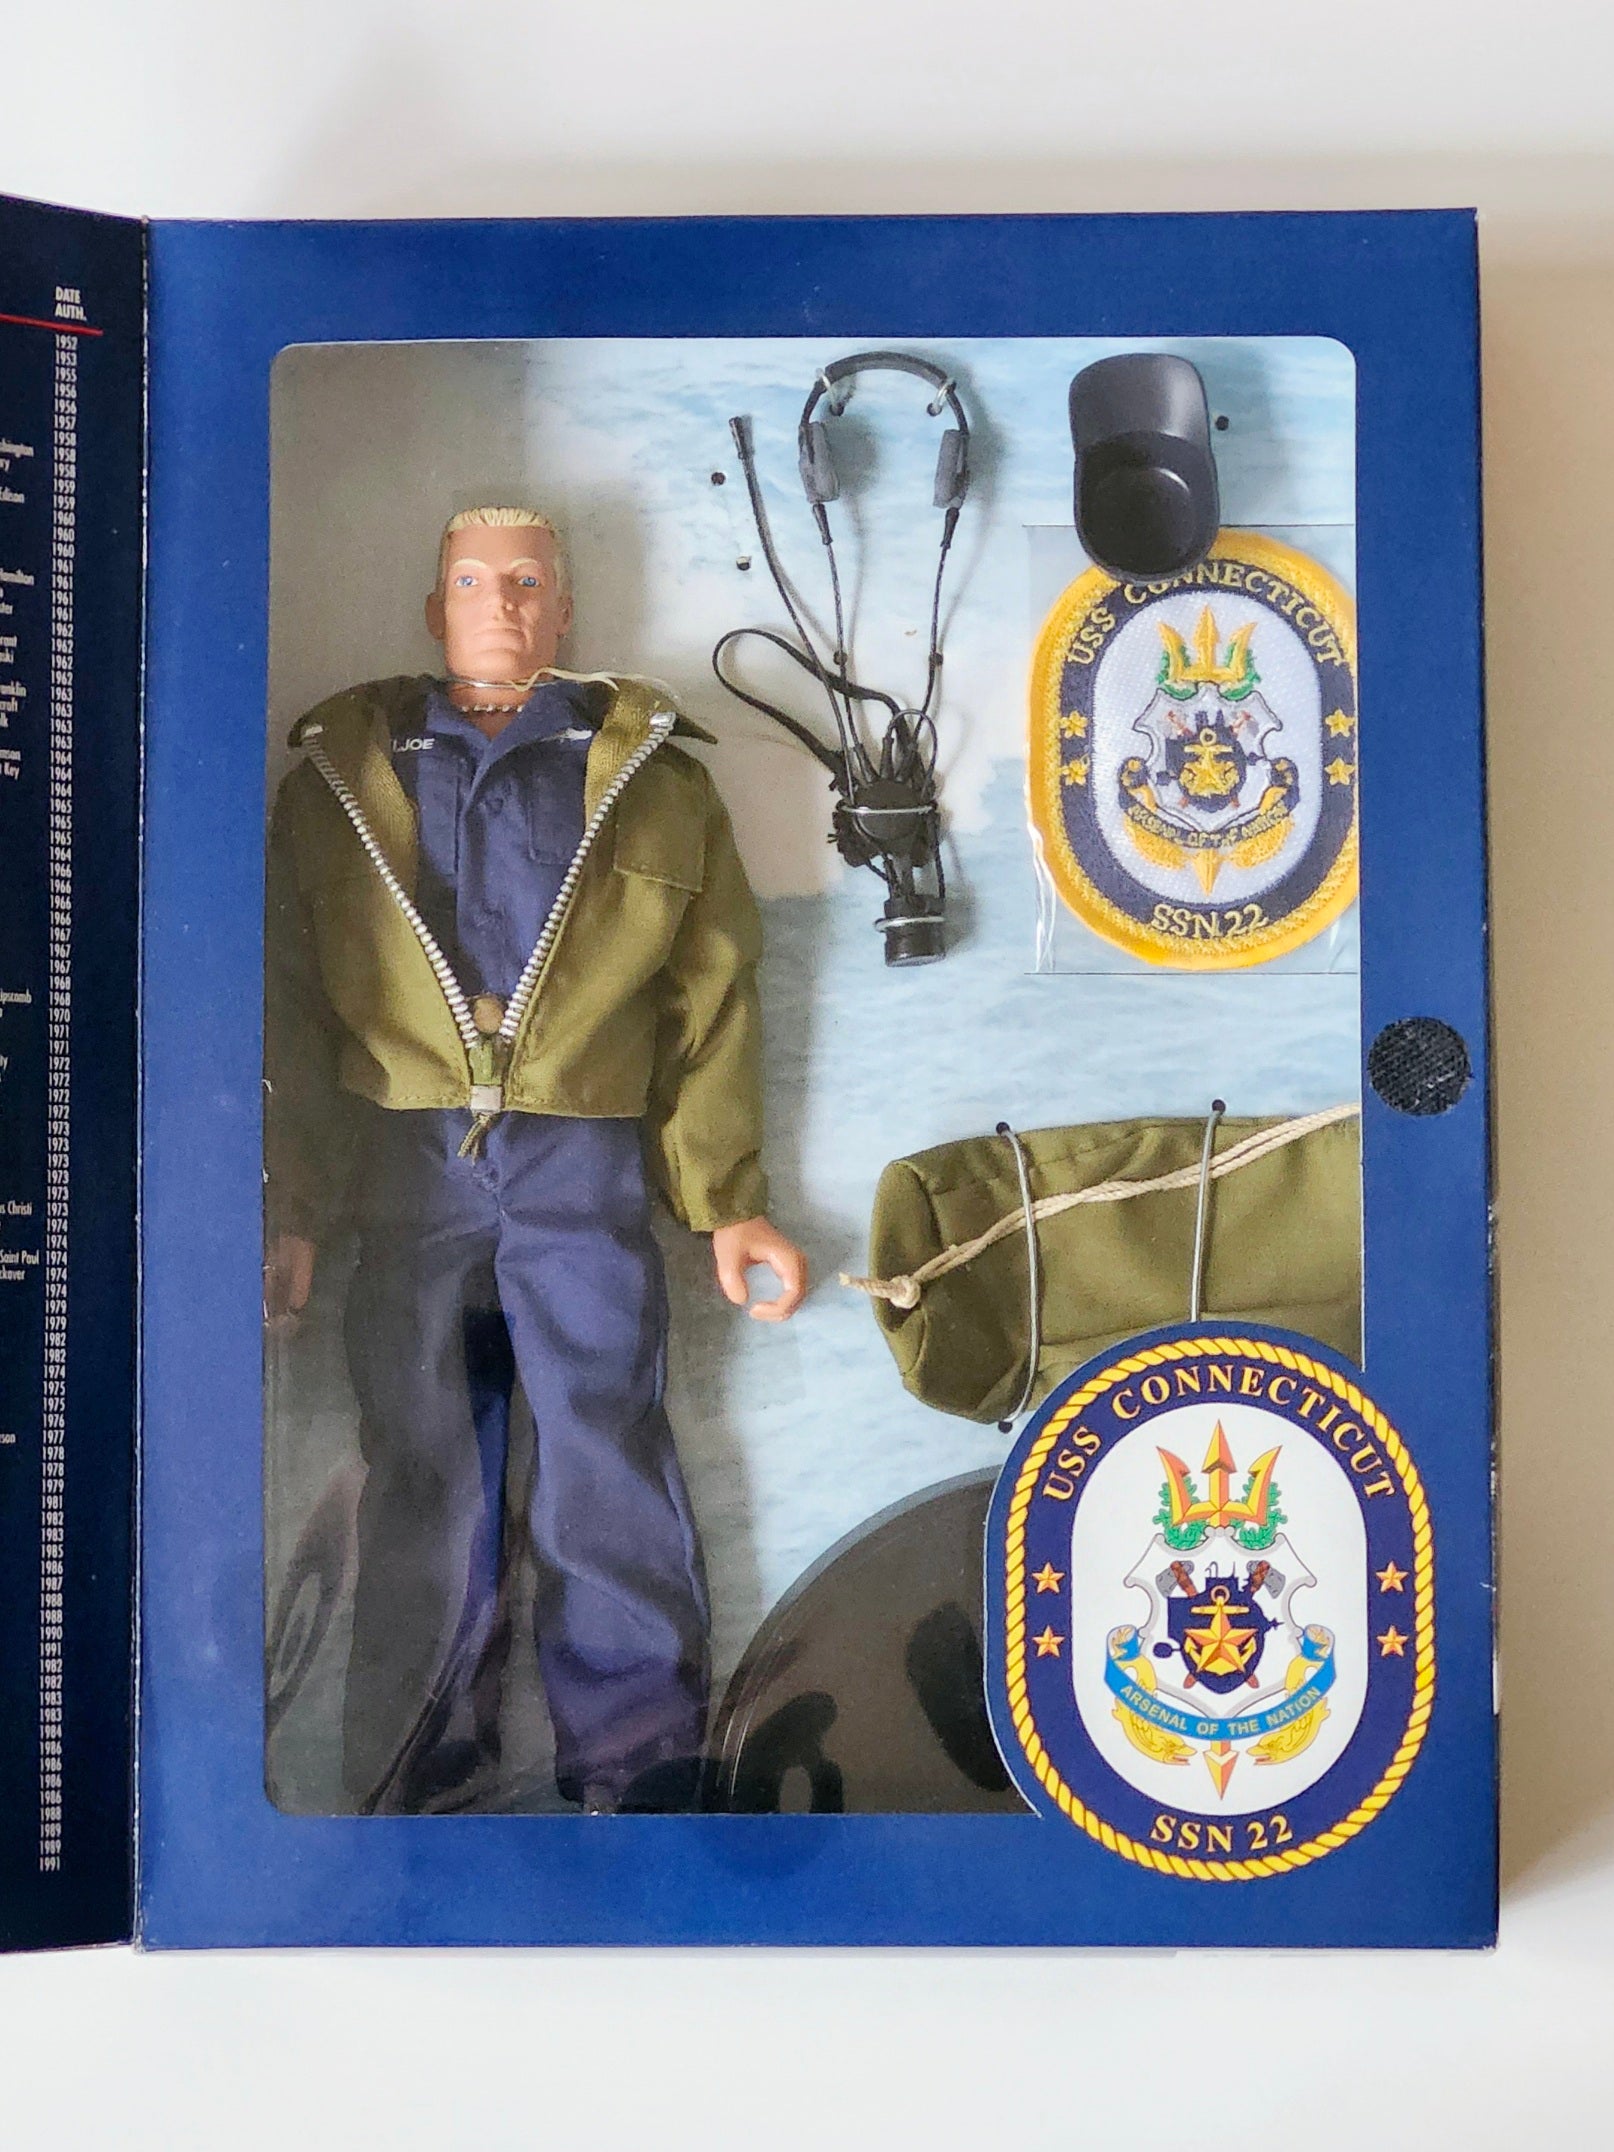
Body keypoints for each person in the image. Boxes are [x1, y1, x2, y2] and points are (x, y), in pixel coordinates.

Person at [263, 504, 807, 1814]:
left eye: (525, 583)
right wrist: (294, 1208)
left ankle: (640, 1778)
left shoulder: (648, 776)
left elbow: (713, 999)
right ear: (432, 608)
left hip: (581, 1158)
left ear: (563, 610)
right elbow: (286, 1008)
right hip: (405, 1159)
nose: (500, 603)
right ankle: (414, 1785)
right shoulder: (345, 775)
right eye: (471, 581)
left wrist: (725, 1203)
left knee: (604, 1455)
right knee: (421, 1467)